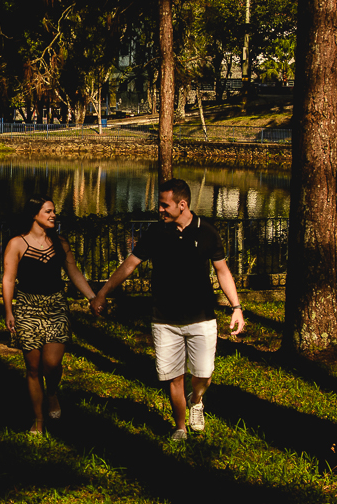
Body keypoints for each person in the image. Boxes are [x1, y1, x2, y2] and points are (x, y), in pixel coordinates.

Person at [90, 178, 244, 440]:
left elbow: (222, 271)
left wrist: (236, 307)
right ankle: (180, 427)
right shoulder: (156, 234)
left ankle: (196, 399)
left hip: (202, 317)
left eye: (164, 205)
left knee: (204, 375)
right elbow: (129, 265)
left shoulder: (206, 231)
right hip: (164, 319)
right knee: (174, 376)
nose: (159, 210)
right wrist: (102, 293)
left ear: (182, 205)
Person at [3, 195, 97, 434]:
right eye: (48, 211)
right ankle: (38, 420)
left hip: (56, 307)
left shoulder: (60, 243)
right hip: (27, 308)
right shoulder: (17, 244)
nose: (53, 215)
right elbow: (8, 279)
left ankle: (52, 391)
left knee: (52, 364)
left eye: (53, 211)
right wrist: (8, 311)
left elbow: (73, 272)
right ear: (34, 215)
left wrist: (92, 297)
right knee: (33, 369)